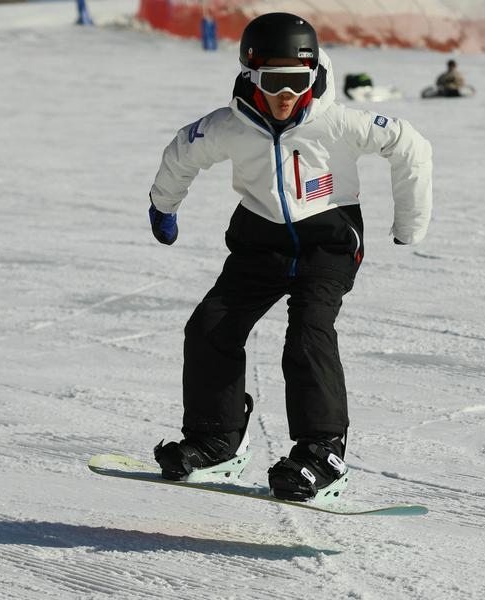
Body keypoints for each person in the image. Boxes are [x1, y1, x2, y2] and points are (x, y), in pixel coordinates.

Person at [147, 12, 432, 502]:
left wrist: (409, 224)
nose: (286, 94)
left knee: (308, 334)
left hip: (327, 243)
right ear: (250, 74)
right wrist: (163, 206)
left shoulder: (337, 121)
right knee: (210, 328)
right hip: (259, 243)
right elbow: (182, 153)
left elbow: (409, 144)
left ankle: (322, 455)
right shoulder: (230, 126)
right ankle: (216, 441)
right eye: (273, 81)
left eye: (298, 81)